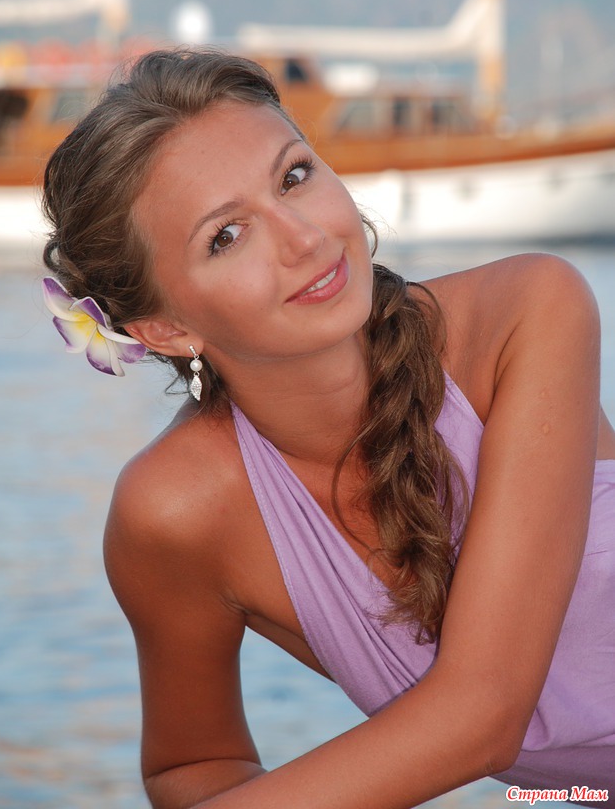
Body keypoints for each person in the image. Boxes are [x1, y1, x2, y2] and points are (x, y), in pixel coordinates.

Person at [41, 48, 615, 808]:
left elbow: (485, 716)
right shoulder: (176, 513)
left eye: (294, 176)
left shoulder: (528, 314)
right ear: (167, 329)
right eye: (226, 235)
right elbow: (193, 768)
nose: (305, 237)